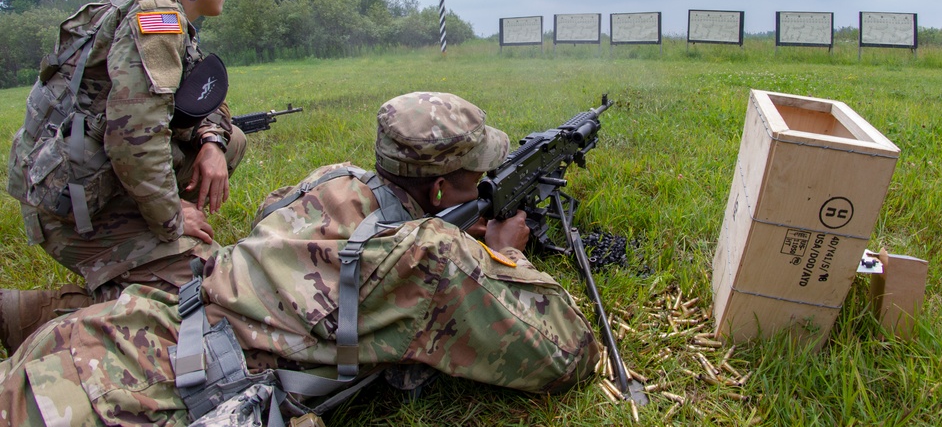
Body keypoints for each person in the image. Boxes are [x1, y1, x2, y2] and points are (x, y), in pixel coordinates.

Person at [0, 92, 600, 426]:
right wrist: (503, 256)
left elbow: (273, 219)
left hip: (91, 338)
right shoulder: (429, 260)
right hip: (115, 403)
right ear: (440, 192)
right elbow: (568, 355)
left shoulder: (329, 181)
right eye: (477, 175)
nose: (488, 179)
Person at [1, 0, 246, 353]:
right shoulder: (157, 16)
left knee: (234, 139)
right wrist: (172, 218)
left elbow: (205, 102)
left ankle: (155, 249)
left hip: (81, 182)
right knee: (204, 292)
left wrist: (211, 142)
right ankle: (29, 317)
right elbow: (134, 137)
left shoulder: (153, 7)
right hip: (72, 207)